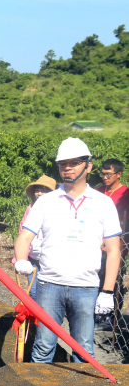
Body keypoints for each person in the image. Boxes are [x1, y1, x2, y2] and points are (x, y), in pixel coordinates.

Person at [14, 138, 121, 363]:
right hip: (49, 285)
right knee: (43, 347)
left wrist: (107, 292)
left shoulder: (103, 203)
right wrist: (22, 259)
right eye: (63, 163)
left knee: (83, 350)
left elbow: (114, 250)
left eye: (74, 162)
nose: (68, 167)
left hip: (86, 287)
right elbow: (24, 237)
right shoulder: (46, 202)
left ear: (88, 166)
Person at [11, 176, 56, 300]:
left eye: (44, 190)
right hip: (33, 257)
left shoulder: (56, 211)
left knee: (48, 292)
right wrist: (21, 258)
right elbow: (22, 232)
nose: (40, 193)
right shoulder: (30, 209)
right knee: (34, 291)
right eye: (37, 190)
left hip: (48, 258)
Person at [95, 158, 128, 328]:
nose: (105, 177)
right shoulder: (98, 192)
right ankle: (96, 314)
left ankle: (111, 317)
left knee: (114, 280)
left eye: (109, 174)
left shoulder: (125, 194)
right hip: (96, 245)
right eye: (103, 174)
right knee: (96, 279)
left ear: (118, 174)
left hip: (116, 246)